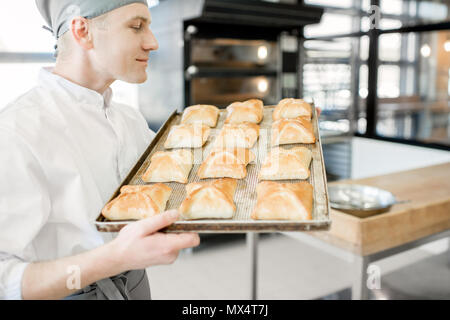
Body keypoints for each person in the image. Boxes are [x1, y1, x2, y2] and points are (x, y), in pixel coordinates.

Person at [0, 0, 200, 300]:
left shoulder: (128, 119)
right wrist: (114, 258)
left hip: (134, 286)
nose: (153, 42)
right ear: (83, 32)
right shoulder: (17, 132)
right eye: (136, 26)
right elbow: (6, 284)